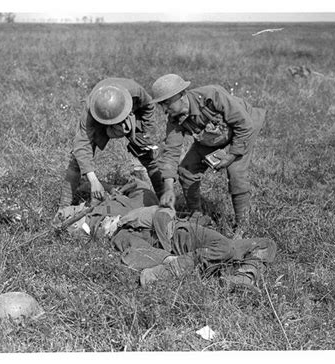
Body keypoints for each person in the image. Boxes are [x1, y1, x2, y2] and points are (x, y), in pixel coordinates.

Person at [149, 74, 266, 237]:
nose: (164, 109)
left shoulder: (212, 96)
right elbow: (171, 153)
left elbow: (244, 124)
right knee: (186, 171)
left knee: (235, 173)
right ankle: (197, 215)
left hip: (244, 129)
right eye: (161, 104)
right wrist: (168, 188)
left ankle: (243, 225)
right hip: (212, 137)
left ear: (182, 95)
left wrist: (231, 156)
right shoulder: (175, 120)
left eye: (167, 103)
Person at [56, 78, 164, 222]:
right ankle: (63, 208)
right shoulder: (91, 110)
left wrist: (145, 132)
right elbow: (82, 146)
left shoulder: (136, 92)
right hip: (100, 119)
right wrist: (93, 181)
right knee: (76, 161)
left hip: (131, 116)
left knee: (148, 157)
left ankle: (165, 202)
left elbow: (149, 106)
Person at [112, 206, 276, 291]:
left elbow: (161, 214)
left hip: (181, 233)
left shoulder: (125, 212)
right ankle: (165, 272)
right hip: (179, 237)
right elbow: (135, 250)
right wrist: (167, 259)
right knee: (225, 247)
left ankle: (242, 279)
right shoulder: (121, 232)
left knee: (266, 244)